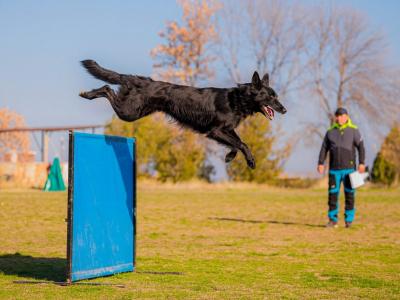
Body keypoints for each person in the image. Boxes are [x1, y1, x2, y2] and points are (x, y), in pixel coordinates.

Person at [318, 108, 365, 228]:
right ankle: (332, 220)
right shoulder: (330, 132)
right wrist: (320, 163)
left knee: (349, 195)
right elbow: (324, 148)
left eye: (341, 116)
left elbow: (361, 147)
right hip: (334, 170)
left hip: (350, 169)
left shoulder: (354, 130)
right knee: (332, 195)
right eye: (337, 116)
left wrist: (362, 163)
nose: (339, 118)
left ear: (347, 116)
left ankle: (349, 220)